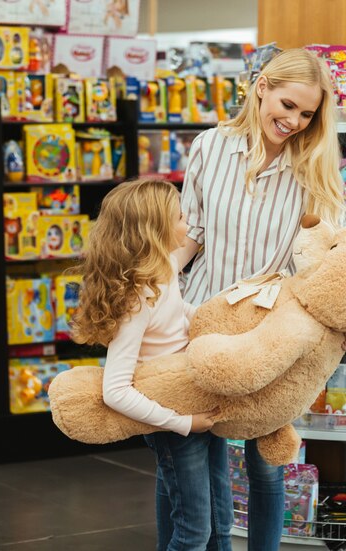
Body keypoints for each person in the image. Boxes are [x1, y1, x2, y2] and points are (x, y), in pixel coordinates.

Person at [174, 48, 346, 551]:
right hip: (201, 318)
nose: (294, 121)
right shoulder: (209, 147)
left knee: (267, 461)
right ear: (261, 86)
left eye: (306, 114)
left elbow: (328, 255)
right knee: (193, 459)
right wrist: (152, 291)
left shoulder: (315, 167)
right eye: (287, 105)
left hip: (274, 331)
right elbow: (191, 232)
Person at [71, 178, 230, 551]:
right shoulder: (138, 296)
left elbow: (175, 316)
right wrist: (182, 424)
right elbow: (115, 391)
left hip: (200, 404)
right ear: (154, 228)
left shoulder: (164, 271)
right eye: (178, 216)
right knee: (193, 530)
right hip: (175, 420)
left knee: (221, 521)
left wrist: (211, 322)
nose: (187, 221)